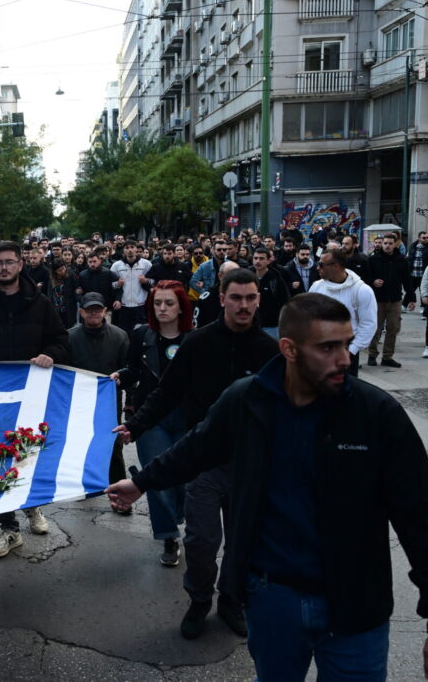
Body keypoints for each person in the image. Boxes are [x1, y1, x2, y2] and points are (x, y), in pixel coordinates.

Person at [107, 293, 428, 682]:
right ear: (289, 349)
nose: (344, 358)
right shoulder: (247, 400)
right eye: (327, 347)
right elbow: (195, 449)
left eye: (346, 344)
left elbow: (422, 520)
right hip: (273, 602)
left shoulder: (376, 414)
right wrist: (141, 482)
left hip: (357, 606)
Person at [116, 268, 279, 640]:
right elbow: (167, 392)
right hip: (204, 461)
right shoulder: (199, 343)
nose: (243, 305)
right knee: (202, 541)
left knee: (243, 542)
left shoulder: (270, 352)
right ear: (221, 299)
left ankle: (232, 602)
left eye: (250, 298)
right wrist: (137, 425)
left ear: (258, 300)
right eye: (235, 297)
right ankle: (200, 600)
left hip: (250, 466)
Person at [0, 241, 69, 560]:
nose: (4, 267)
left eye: (10, 262)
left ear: (21, 265)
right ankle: (9, 528)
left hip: (32, 397)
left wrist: (51, 355)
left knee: (28, 455)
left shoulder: (41, 304)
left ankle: (32, 508)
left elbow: (61, 340)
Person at [112, 280, 193, 567]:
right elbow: (134, 369)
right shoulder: (141, 336)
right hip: (150, 418)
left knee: (184, 478)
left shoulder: (195, 339)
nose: (162, 308)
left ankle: (180, 516)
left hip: (187, 418)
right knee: (157, 477)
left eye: (169, 303)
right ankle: (169, 535)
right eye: (157, 303)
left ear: (181, 306)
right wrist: (121, 376)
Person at [68, 292, 130, 487]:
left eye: (97, 309)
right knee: (80, 442)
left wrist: (130, 401)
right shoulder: (69, 337)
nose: (93, 313)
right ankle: (83, 485)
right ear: (81, 312)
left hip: (109, 399)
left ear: (105, 311)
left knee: (113, 444)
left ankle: (118, 488)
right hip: (79, 399)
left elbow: (130, 371)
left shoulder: (120, 336)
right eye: (89, 310)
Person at [309, 250, 377, 376]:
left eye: (322, 264)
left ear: (336, 266)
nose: (317, 267)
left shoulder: (362, 290)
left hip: (346, 351)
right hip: (319, 349)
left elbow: (368, 324)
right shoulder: (316, 287)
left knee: (344, 392)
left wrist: (352, 351)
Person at [366, 233, 413, 368]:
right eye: (385, 243)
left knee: (393, 328)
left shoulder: (401, 260)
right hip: (378, 300)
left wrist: (411, 296)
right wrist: (373, 282)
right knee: (376, 328)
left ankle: (387, 357)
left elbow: (407, 279)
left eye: (390, 243)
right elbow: (366, 277)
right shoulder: (374, 259)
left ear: (395, 244)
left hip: (395, 300)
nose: (387, 246)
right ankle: (372, 354)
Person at [110, 240, 152, 335]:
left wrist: (146, 281)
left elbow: (154, 281)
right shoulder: (117, 265)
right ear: (123, 250)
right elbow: (110, 284)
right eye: (127, 248)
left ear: (136, 249)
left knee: (141, 333)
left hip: (141, 305)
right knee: (124, 333)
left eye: (132, 247)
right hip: (123, 306)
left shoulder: (146, 264)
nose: (130, 250)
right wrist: (117, 284)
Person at [251, 248, 291, 339]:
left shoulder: (276, 279)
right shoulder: (247, 276)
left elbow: (284, 302)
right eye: (255, 258)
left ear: (268, 261)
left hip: (271, 326)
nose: (257, 261)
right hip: (251, 324)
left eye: (261, 258)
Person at [193, 260, 239, 329]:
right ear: (220, 276)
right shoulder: (207, 298)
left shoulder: (244, 295)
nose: (235, 279)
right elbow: (198, 326)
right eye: (230, 275)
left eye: (238, 275)